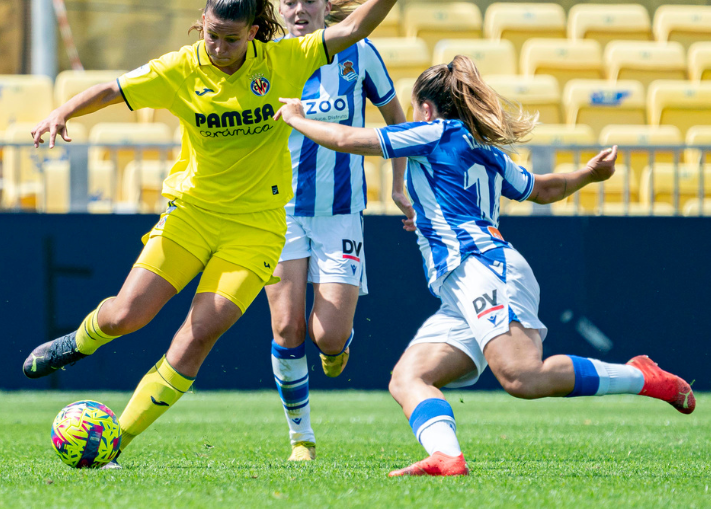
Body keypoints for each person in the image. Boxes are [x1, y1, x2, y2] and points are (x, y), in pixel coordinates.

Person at [21, 0, 433, 467]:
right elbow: (112, 88)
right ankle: (80, 342)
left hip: (257, 230)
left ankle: (115, 439)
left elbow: (353, 31)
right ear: (202, 24)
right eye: (211, 35)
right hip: (191, 214)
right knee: (128, 315)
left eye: (230, 39)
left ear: (255, 34)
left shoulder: (283, 60)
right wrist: (63, 111)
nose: (218, 47)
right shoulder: (181, 69)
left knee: (197, 334)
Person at [273, 55, 696, 477]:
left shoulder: (432, 132)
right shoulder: (484, 149)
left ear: (425, 108)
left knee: (522, 376)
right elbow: (542, 189)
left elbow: (347, 140)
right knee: (408, 377)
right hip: (463, 285)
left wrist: (296, 117)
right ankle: (447, 457)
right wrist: (587, 173)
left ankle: (640, 376)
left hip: (483, 269)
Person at [266, 0, 413, 461]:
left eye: (309, 0)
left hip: (341, 212)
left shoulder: (360, 54)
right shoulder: (264, 60)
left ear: (328, 8)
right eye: (290, 2)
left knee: (326, 337)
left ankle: (335, 348)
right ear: (279, 10)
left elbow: (397, 123)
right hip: (277, 212)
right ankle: (301, 438)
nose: (299, 10)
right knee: (286, 330)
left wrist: (399, 183)